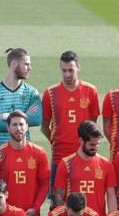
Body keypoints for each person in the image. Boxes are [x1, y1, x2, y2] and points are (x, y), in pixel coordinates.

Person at [54, 121, 117, 216]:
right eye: (92, 145)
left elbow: (111, 196)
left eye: (97, 144)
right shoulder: (66, 164)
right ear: (81, 140)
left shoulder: (106, 164)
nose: (95, 148)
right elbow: (58, 198)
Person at [42, 50, 100, 201]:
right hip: (59, 156)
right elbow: (44, 125)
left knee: (85, 199)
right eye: (64, 70)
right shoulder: (50, 93)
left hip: (84, 156)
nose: (67, 74)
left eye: (71, 70)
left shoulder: (90, 91)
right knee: (57, 202)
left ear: (78, 67)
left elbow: (92, 123)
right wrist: (56, 140)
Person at [0, 48, 41, 152]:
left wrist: (5, 116)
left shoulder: (32, 92)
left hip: (24, 154)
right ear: (14, 64)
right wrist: (24, 118)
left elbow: (36, 119)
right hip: (0, 153)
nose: (30, 68)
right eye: (26, 64)